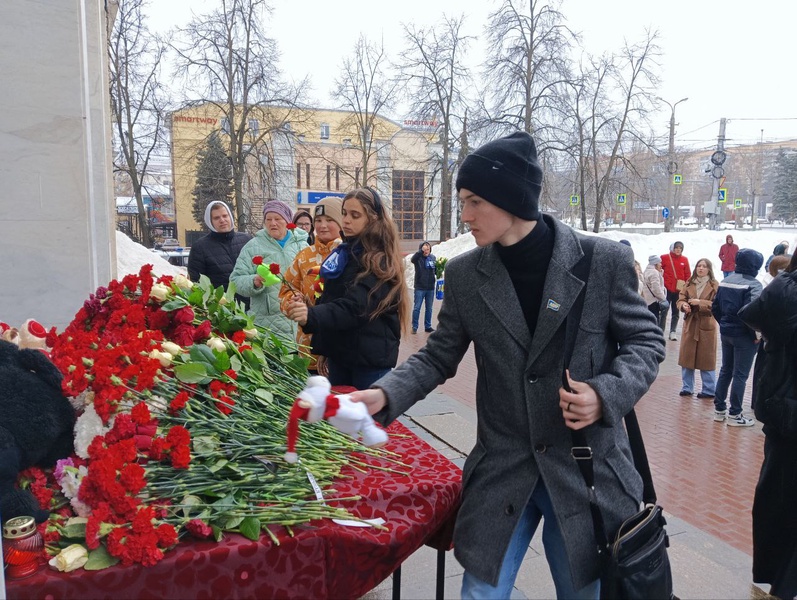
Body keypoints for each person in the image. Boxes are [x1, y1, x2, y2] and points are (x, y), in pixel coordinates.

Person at [349, 132, 665, 599]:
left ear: (513, 198)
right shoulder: (464, 274)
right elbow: (440, 354)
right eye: (463, 201)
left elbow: (646, 340)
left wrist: (605, 394)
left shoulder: (602, 261)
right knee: (479, 593)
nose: (466, 215)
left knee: (584, 593)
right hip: (503, 468)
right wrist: (385, 393)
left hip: (586, 472)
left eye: (475, 201)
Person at [284, 187, 409, 390]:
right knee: (338, 420)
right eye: (344, 213)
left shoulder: (380, 259)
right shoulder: (345, 252)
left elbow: (354, 307)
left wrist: (311, 315)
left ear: (372, 218)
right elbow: (331, 299)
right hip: (341, 357)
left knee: (368, 421)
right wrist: (326, 349)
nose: (346, 220)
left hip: (369, 363)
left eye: (355, 215)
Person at [738, 252, 797, 600]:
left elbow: (751, 315)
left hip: (781, 414)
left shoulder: (781, 290)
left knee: (777, 498)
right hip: (786, 415)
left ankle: (778, 579)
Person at [279, 197, 344, 375]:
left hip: (340, 350)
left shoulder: (349, 254)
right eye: (319, 221)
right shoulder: (304, 256)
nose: (322, 225)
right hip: (308, 349)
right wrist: (294, 302)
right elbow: (285, 291)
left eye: (330, 220)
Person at [230, 199, 308, 340]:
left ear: (287, 220)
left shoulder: (301, 245)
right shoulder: (253, 246)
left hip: (299, 321)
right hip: (267, 326)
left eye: (277, 218)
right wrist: (254, 281)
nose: (273, 223)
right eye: (268, 219)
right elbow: (235, 280)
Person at [710, 248, 764, 427]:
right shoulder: (754, 285)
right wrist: (756, 334)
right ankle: (735, 414)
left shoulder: (726, 281)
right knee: (740, 375)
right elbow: (753, 313)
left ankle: (719, 410)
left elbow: (715, 307)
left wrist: (724, 324)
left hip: (727, 333)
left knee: (726, 370)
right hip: (744, 336)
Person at [187, 201, 252, 306]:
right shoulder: (200, 247)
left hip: (251, 307)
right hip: (222, 311)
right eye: (216, 218)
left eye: (225, 216)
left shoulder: (247, 240)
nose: (222, 220)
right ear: (210, 221)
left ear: (230, 216)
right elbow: (197, 284)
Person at [676, 258, 719, 398]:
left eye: (704, 266)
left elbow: (717, 304)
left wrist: (700, 302)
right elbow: (680, 298)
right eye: (699, 266)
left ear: (709, 269)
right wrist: (683, 305)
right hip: (691, 323)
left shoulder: (714, 285)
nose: (701, 268)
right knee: (687, 357)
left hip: (706, 324)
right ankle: (687, 387)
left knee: (706, 358)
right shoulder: (689, 282)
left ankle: (709, 389)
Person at [660, 241, 691, 341]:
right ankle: (660, 331)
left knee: (676, 311)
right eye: (676, 247)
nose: (678, 250)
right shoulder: (664, 257)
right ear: (672, 248)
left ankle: (672, 331)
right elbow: (659, 270)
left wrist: (686, 287)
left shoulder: (684, 259)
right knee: (664, 310)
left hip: (678, 290)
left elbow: (688, 275)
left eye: (680, 248)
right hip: (667, 289)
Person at [411, 241, 437, 334]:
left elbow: (435, 270)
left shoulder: (433, 258)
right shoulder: (418, 258)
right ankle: (414, 327)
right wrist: (420, 252)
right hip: (420, 287)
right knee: (417, 307)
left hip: (430, 288)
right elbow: (412, 259)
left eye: (428, 249)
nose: (427, 250)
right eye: (425, 249)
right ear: (421, 249)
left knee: (429, 308)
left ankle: (428, 326)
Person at [642, 255, 668, 325]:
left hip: (647, 300)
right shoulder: (654, 272)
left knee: (649, 321)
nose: (661, 264)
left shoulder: (646, 271)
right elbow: (656, 289)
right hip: (654, 301)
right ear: (655, 263)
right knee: (655, 321)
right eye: (660, 263)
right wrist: (663, 298)